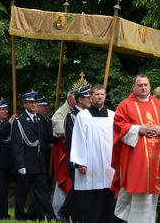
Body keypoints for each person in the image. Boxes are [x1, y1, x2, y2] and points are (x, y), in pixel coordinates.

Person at [111, 74, 160, 223]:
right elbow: (119, 125)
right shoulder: (125, 105)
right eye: (140, 85)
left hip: (157, 159)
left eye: (146, 85)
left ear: (150, 86)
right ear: (133, 87)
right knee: (134, 190)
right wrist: (138, 129)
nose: (143, 88)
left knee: (152, 194)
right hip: (135, 159)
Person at [70, 84, 116, 223]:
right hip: (90, 162)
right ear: (91, 97)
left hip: (109, 162)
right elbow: (78, 139)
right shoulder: (82, 116)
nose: (100, 97)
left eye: (102, 94)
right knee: (90, 197)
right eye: (96, 94)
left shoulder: (112, 116)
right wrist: (80, 163)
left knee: (108, 195)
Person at [10, 89, 57, 221]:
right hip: (25, 164)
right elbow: (16, 145)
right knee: (22, 193)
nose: (33, 104)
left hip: (39, 164)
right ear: (24, 104)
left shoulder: (41, 120)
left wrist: (58, 136)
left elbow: (47, 137)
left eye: (35, 102)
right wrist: (20, 164)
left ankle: (49, 217)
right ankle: (20, 217)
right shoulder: (19, 122)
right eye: (30, 102)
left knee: (43, 193)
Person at [58, 84, 91, 221]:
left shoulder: (89, 115)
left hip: (89, 158)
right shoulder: (72, 116)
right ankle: (64, 212)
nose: (90, 100)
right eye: (88, 97)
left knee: (83, 191)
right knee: (78, 188)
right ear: (80, 100)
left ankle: (76, 216)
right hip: (77, 159)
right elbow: (72, 140)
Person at [51, 90, 76, 216]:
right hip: (66, 151)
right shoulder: (61, 112)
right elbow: (57, 126)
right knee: (66, 182)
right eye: (74, 98)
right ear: (69, 98)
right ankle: (62, 212)